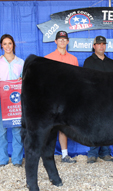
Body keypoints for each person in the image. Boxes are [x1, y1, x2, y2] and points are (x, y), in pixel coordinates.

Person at [0, 34, 24, 168]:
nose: (7, 46)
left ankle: (17, 160)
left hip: (15, 101)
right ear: (1, 46)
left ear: (13, 45)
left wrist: (22, 80)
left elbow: (24, 79)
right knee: (1, 131)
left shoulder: (21, 62)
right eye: (5, 44)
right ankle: (2, 160)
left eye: (10, 43)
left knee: (17, 130)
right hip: (1, 99)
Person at [45, 31, 77, 163]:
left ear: (68, 42)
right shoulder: (48, 58)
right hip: (52, 97)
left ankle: (64, 155)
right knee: (49, 127)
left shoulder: (73, 59)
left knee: (63, 125)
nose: (62, 41)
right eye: (60, 39)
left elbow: (76, 80)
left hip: (67, 98)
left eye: (64, 39)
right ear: (55, 41)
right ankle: (47, 155)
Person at [83, 35, 113, 164]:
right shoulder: (88, 62)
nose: (101, 46)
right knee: (94, 125)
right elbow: (85, 81)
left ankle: (105, 153)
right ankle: (92, 153)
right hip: (94, 98)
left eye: (103, 44)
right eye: (99, 44)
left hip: (108, 98)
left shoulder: (110, 62)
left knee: (108, 125)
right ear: (94, 46)